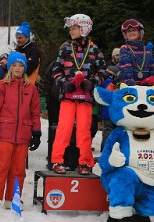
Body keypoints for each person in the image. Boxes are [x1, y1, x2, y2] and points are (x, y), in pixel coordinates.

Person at [0, 52, 41, 209]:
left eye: (21, 65)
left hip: (23, 135)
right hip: (5, 133)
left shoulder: (31, 89)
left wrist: (36, 132)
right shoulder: (2, 86)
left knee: (18, 169)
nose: (17, 68)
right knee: (1, 166)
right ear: (9, 67)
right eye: (14, 65)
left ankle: (12, 197)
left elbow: (35, 113)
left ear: (25, 68)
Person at [51, 14, 105, 174]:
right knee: (63, 129)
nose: (71, 31)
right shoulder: (65, 48)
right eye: (70, 29)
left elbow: (103, 71)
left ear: (84, 29)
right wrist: (63, 83)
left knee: (83, 130)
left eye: (74, 28)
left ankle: (85, 162)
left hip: (85, 98)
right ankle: (57, 160)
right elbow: (55, 70)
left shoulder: (94, 49)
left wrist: (92, 82)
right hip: (68, 96)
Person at [118, 19, 154, 86]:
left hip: (146, 87)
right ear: (125, 35)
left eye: (134, 30)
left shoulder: (147, 51)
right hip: (130, 88)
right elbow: (126, 69)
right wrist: (131, 84)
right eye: (129, 31)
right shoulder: (125, 49)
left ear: (140, 32)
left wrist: (152, 82)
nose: (131, 33)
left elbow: (152, 70)